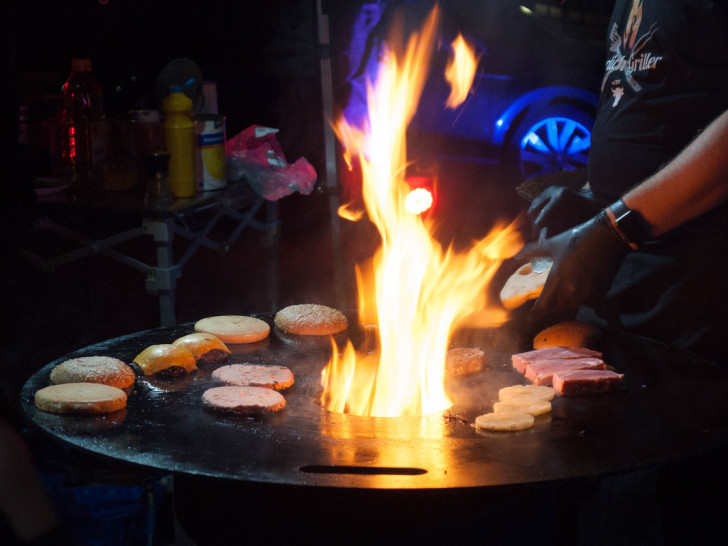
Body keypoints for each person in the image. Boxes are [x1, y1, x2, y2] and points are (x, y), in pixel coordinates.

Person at [520, 0, 728, 363]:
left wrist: (612, 228)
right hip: (620, 284)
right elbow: (640, 106)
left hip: (693, 292)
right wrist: (592, 199)